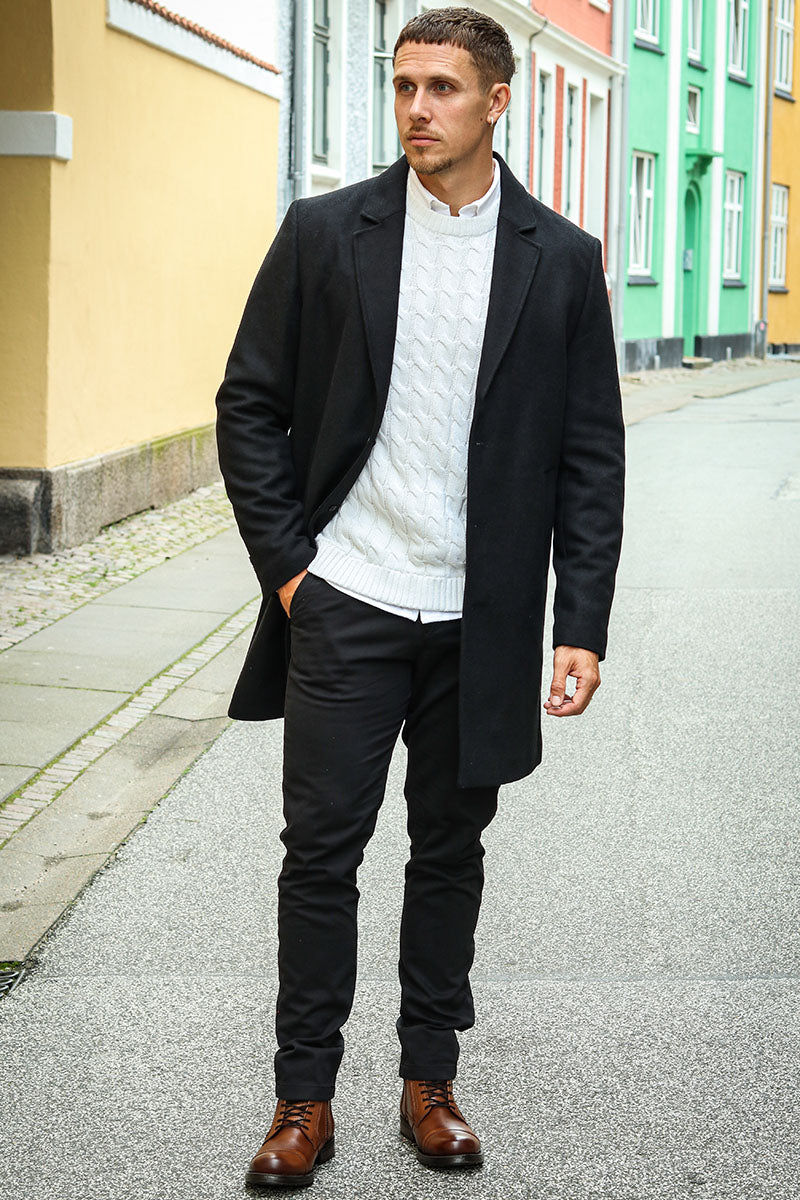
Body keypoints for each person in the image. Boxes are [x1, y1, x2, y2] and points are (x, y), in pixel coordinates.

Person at [215, 6, 625, 1189]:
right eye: (403, 85)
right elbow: (248, 403)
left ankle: (427, 1081)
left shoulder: (559, 258)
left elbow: (587, 456)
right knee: (319, 856)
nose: (416, 108)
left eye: (441, 87)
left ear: (496, 101)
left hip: (478, 619)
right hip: (345, 596)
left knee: (448, 851)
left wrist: (578, 624)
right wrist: (291, 569)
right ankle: (301, 1098)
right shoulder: (325, 232)